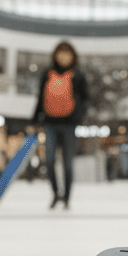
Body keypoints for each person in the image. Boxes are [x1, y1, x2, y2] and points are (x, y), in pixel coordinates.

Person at [33, 41, 88, 209]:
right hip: (49, 123)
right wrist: (34, 120)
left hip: (69, 125)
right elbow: (40, 98)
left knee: (67, 164)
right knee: (49, 161)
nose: (64, 56)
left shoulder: (78, 76)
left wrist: (78, 117)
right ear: (55, 55)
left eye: (67, 53)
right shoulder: (47, 74)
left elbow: (85, 99)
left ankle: (67, 197)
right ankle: (56, 193)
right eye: (61, 53)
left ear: (73, 56)